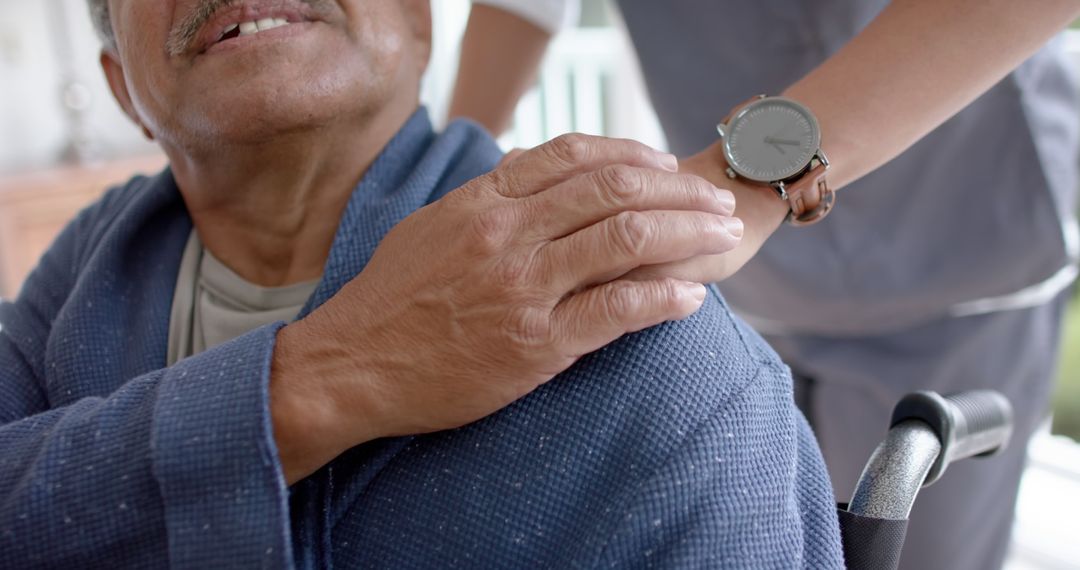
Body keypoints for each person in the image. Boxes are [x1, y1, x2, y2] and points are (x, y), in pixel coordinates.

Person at [0, 0, 845, 567]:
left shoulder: (649, 346)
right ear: (123, 92)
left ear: (418, 21)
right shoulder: (78, 279)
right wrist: (325, 377)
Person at [449, 1, 1080, 568]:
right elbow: (519, 8)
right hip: (750, 291)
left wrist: (750, 180)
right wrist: (451, 191)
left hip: (956, 244)